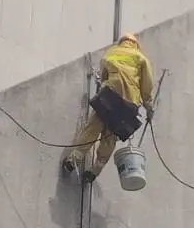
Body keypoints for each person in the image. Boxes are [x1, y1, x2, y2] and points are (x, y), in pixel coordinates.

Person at [62, 33, 154, 184]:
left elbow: (104, 75)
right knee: (109, 138)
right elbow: (146, 86)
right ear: (135, 44)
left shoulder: (111, 52)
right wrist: (149, 107)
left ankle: (73, 160)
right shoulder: (141, 58)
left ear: (121, 42)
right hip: (128, 103)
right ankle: (94, 172)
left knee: (92, 128)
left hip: (109, 97)